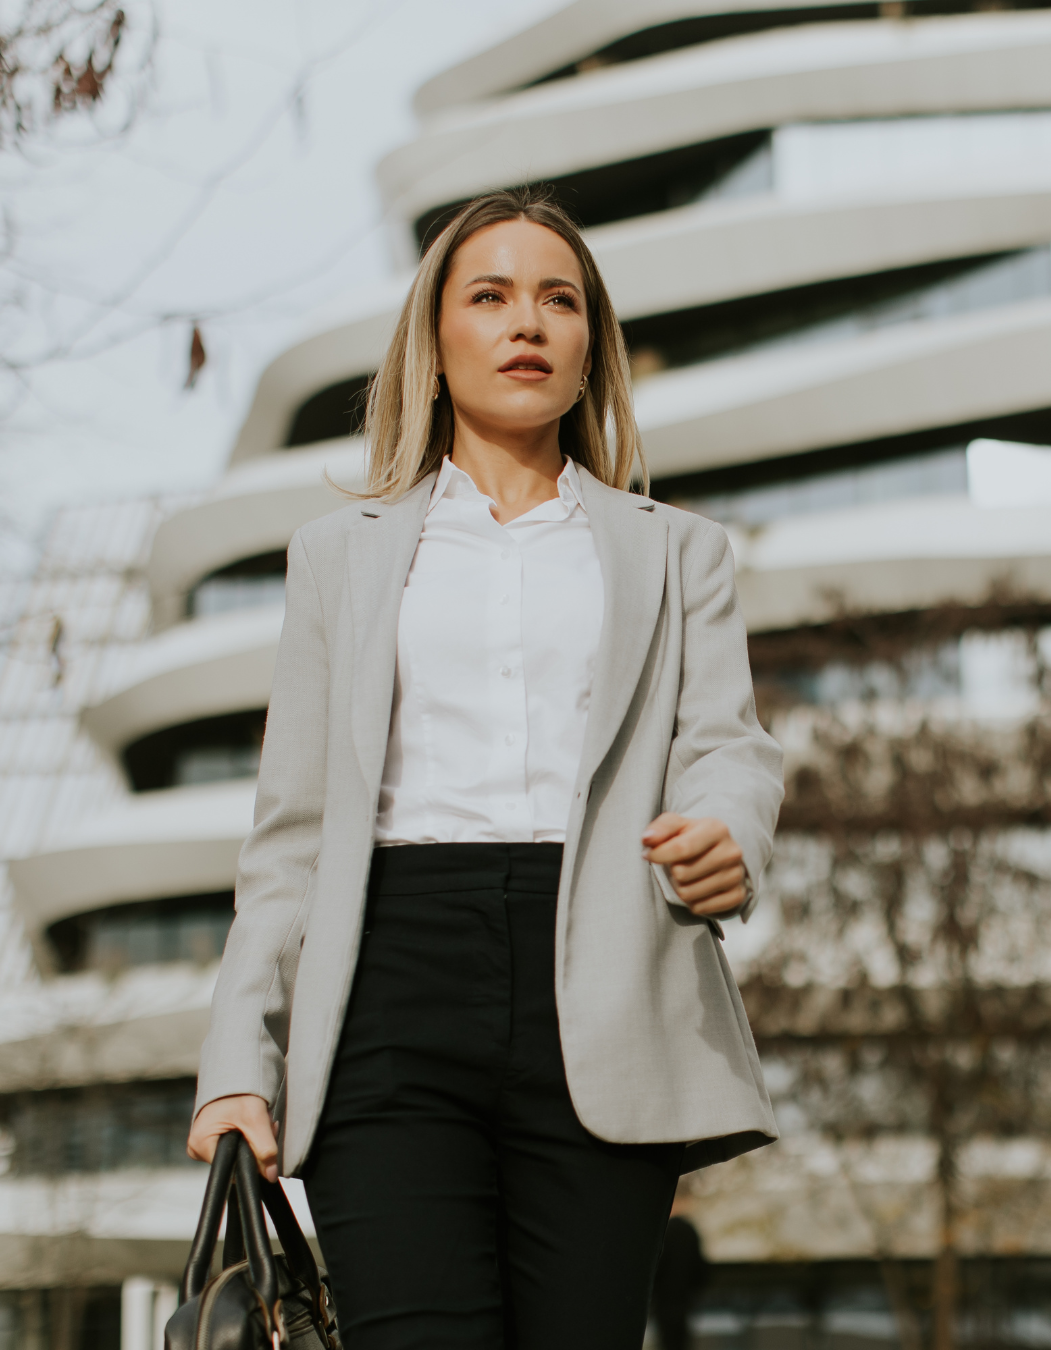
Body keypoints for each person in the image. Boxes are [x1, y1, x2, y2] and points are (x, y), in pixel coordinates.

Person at [186, 187, 783, 1350]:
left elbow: (726, 745)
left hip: (610, 979)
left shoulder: (679, 552)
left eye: (559, 301)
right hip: (387, 988)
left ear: (589, 348)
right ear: (437, 338)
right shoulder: (338, 557)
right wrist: (238, 1062)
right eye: (492, 296)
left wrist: (726, 832)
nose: (527, 323)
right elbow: (293, 837)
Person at [652, 1183, 710, 1350]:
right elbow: (700, 1268)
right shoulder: (689, 1231)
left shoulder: (665, 1232)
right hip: (683, 1298)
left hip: (665, 1299)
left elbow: (658, 1268)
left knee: (667, 1339)